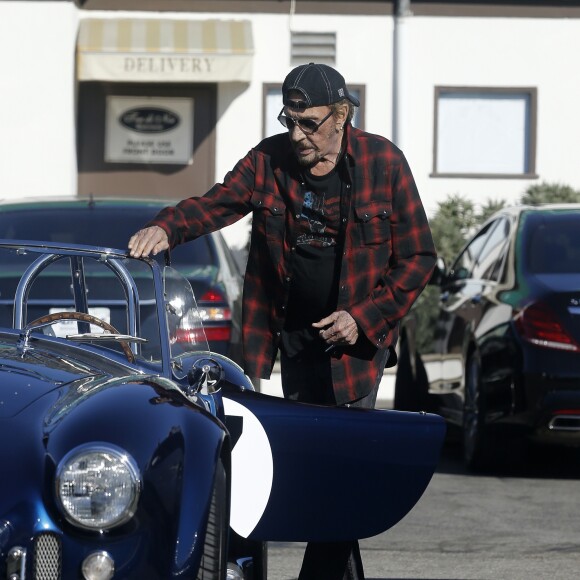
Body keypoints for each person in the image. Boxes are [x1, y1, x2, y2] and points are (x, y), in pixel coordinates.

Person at [129, 62, 436, 579]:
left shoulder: (385, 162)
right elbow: (216, 204)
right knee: (311, 471)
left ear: (341, 116)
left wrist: (363, 318)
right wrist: (168, 227)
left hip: (355, 348)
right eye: (289, 120)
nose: (297, 135)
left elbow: (418, 258)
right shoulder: (269, 160)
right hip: (292, 338)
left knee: (339, 470)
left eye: (309, 123)